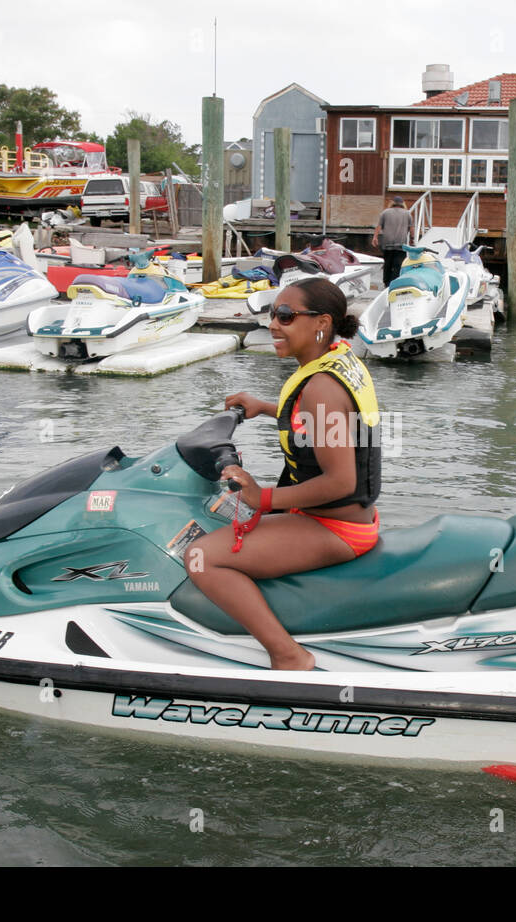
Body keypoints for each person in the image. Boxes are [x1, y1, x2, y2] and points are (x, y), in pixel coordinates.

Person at [186, 278, 382, 670]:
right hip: (344, 517)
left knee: (200, 557)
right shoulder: (339, 359)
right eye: (272, 314)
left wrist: (266, 498)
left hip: (335, 528)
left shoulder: (321, 387)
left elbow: (341, 481)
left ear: (321, 323)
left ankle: (288, 654)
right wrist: (265, 407)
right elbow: (327, 424)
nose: (274, 325)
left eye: (287, 316)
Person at [372, 196, 412, 286]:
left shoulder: (385, 213)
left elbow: (379, 226)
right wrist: (412, 239)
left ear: (392, 203)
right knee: (398, 265)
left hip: (387, 243)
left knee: (387, 264)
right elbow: (410, 228)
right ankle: (395, 283)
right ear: (403, 204)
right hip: (401, 245)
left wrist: (375, 237)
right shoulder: (407, 213)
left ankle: (386, 282)